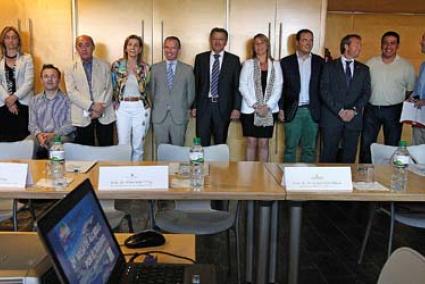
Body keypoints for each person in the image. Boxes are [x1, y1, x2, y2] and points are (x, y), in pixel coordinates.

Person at [359, 31, 415, 163]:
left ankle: (388, 177)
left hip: (394, 111)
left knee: (392, 146)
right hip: (371, 109)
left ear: (397, 46)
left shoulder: (406, 66)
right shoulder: (370, 63)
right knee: (367, 145)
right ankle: (363, 176)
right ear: (381, 45)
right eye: (385, 43)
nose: (388, 46)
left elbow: (410, 91)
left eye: (392, 43)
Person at [320, 34, 371, 163]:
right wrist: (340, 111)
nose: (360, 47)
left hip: (353, 120)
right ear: (346, 46)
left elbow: (366, 93)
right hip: (332, 118)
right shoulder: (329, 66)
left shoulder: (364, 69)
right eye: (357, 44)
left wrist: (354, 110)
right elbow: (324, 91)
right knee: (328, 155)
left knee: (349, 157)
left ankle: (348, 182)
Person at [279, 29, 324, 162]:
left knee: (309, 149)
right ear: (297, 42)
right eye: (305, 40)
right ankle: (287, 179)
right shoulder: (285, 62)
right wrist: (281, 108)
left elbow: (324, 87)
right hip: (293, 109)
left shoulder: (320, 62)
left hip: (313, 110)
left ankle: (307, 181)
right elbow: (281, 87)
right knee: (290, 148)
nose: (308, 43)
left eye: (311, 40)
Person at [192, 27, 241, 146]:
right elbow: (195, 84)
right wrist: (194, 106)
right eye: (215, 39)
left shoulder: (234, 60)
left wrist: (236, 108)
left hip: (223, 107)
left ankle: (219, 166)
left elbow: (237, 86)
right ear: (210, 40)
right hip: (204, 106)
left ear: (225, 42)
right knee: (202, 143)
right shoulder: (200, 58)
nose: (218, 42)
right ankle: (203, 165)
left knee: (220, 143)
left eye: (221, 39)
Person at [65, 35, 115, 146]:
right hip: (82, 114)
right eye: (80, 45)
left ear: (93, 47)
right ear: (76, 48)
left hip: (104, 112)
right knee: (85, 151)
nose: (84, 48)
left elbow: (109, 88)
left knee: (107, 149)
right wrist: (92, 106)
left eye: (87, 45)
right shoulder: (69, 67)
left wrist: (100, 108)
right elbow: (71, 92)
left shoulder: (105, 65)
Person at [239, 33, 282, 161]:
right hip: (250, 109)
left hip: (269, 110)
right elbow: (242, 86)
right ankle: (248, 176)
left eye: (262, 42)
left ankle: (263, 175)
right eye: (256, 43)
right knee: (251, 143)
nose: (259, 46)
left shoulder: (276, 64)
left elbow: (278, 87)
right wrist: (255, 104)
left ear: (267, 45)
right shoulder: (247, 64)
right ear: (253, 47)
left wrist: (267, 106)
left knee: (264, 143)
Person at [150, 36, 195, 146]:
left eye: (173, 48)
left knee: (178, 151)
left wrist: (180, 106)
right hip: (159, 116)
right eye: (167, 47)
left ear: (179, 50)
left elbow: (191, 94)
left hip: (179, 116)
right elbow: (151, 92)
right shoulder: (155, 68)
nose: (169, 50)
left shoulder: (188, 70)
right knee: (161, 151)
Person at [112, 34, 150, 161]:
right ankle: (124, 176)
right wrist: (114, 101)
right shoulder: (117, 65)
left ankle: (136, 176)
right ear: (125, 48)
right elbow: (112, 85)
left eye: (136, 45)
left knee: (138, 146)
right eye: (130, 44)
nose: (132, 47)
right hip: (122, 106)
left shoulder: (145, 67)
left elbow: (149, 88)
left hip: (140, 106)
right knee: (123, 144)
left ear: (140, 49)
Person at [28, 64, 75, 158]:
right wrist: (39, 135)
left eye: (53, 76)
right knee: (27, 144)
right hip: (40, 136)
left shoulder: (68, 100)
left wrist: (53, 135)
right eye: (46, 76)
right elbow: (32, 125)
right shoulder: (34, 100)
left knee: (55, 145)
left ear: (59, 79)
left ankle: (55, 171)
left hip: (61, 136)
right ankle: (28, 172)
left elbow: (72, 125)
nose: (49, 79)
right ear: (41, 79)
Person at [0, 26, 34, 142]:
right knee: (4, 140)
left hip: (23, 104)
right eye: (7, 37)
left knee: (23, 140)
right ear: (3, 41)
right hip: (4, 105)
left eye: (14, 37)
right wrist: (8, 101)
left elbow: (29, 82)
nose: (11, 40)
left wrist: (13, 98)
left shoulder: (27, 58)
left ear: (18, 40)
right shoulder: (0, 60)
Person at [411, 32, 425, 145]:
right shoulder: (423, 65)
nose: (421, 42)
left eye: (424, 39)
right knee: (417, 154)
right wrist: (413, 98)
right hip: (419, 119)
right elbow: (419, 89)